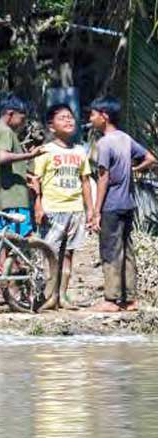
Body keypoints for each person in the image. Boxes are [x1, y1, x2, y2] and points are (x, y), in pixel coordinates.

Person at [87, 97, 157, 312]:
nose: (90, 119)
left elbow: (103, 178)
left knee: (109, 250)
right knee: (127, 250)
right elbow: (151, 158)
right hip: (128, 203)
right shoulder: (125, 139)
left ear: (104, 116)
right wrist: (134, 171)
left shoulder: (104, 143)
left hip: (111, 205)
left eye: (93, 114)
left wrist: (96, 211)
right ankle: (130, 299)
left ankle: (111, 299)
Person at [32, 104, 94, 310]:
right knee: (50, 252)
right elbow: (36, 181)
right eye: (62, 118)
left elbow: (85, 181)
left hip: (75, 209)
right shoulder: (45, 151)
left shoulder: (79, 151)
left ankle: (63, 296)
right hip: (52, 209)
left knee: (69, 253)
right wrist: (38, 205)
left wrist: (90, 209)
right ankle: (48, 296)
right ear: (51, 126)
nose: (68, 121)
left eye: (70, 118)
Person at [0, 96, 44, 236]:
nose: (23, 124)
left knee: (2, 242)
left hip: (0, 199)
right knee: (22, 240)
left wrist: (27, 176)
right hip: (13, 199)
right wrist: (30, 156)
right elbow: (2, 157)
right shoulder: (5, 131)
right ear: (10, 114)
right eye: (22, 119)